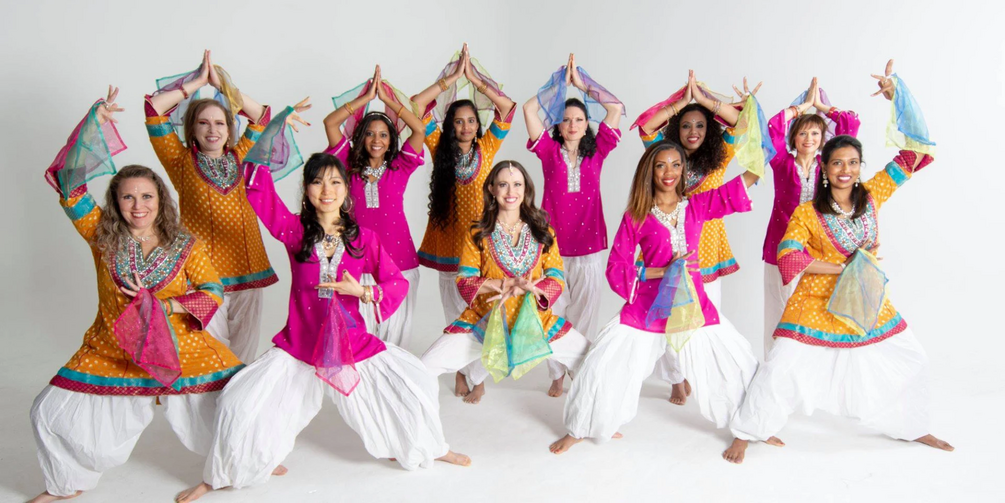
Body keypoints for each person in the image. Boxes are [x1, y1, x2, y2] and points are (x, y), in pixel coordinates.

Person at [175, 110, 469, 501]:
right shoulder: (295, 231)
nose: (326, 189)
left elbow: (395, 283)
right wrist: (275, 127)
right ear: (307, 190)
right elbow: (256, 182)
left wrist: (363, 292)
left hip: (351, 344)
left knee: (414, 383)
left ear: (346, 189)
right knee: (239, 400)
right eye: (317, 181)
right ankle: (224, 473)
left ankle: (433, 448)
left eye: (334, 181)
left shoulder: (362, 238)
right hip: (301, 344)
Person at [724, 61, 953, 463]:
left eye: (852, 163)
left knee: (912, 356)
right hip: (814, 301)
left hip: (864, 298)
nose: (845, 170)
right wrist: (841, 267)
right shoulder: (808, 213)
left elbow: (917, 152)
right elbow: (788, 256)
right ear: (825, 170)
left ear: (860, 167)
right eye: (837, 163)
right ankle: (747, 431)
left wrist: (896, 97)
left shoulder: (873, 193)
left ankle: (914, 426)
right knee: (781, 364)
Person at [31, 87, 243, 503]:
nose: (138, 205)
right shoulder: (101, 236)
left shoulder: (185, 245)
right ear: (115, 202)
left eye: (146, 196)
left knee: (238, 405)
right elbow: (69, 184)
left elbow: (213, 290)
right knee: (48, 410)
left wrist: (168, 305)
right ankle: (67, 484)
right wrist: (92, 128)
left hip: (180, 348)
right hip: (114, 349)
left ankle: (241, 464)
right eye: (127, 196)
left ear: (160, 200)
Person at [550, 139, 761, 455]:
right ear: (650, 171)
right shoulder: (637, 216)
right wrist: (662, 271)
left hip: (692, 307)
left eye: (676, 165)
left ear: (683, 169)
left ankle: (747, 430)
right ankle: (583, 427)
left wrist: (759, 140)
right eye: (661, 165)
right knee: (602, 363)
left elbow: (741, 184)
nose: (669, 172)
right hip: (646, 308)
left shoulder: (697, 205)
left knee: (734, 363)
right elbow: (617, 267)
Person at [420, 161, 590, 404]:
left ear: (526, 188)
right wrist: (502, 284)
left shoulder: (543, 231)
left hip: (536, 323)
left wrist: (530, 289)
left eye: (517, 184)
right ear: (491, 189)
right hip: (483, 323)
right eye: (503, 185)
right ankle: (418, 426)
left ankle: (591, 419)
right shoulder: (477, 233)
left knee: (592, 360)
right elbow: (465, 280)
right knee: (423, 367)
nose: (511, 192)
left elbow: (556, 278)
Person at [145, 50, 277, 362]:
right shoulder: (179, 160)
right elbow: (154, 109)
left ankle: (240, 396)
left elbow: (262, 117)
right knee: (212, 354)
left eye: (220, 123)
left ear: (230, 130)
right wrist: (196, 84)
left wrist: (223, 87)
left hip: (249, 268)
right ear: (192, 129)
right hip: (202, 274)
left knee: (243, 356)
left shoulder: (243, 154)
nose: (212, 130)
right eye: (203, 123)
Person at [522, 54, 624, 393]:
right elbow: (528, 110)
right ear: (558, 123)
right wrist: (558, 87)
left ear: (586, 123)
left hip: (590, 246)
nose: (572, 124)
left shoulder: (598, 151)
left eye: (579, 119)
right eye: (565, 119)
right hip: (552, 248)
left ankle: (580, 371)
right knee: (553, 310)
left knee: (585, 313)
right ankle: (556, 372)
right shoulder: (548, 151)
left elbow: (615, 108)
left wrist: (583, 85)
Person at [411, 44, 516, 328]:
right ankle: (459, 358)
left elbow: (506, 108)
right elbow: (417, 104)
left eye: (471, 121)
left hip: (482, 245)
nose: (466, 127)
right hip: (450, 245)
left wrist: (475, 79)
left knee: (486, 316)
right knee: (456, 317)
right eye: (459, 122)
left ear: (477, 125)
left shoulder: (487, 146)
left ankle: (480, 360)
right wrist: (453, 78)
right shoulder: (438, 147)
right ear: (450, 126)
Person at [323, 65, 426, 348]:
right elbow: (330, 124)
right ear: (360, 138)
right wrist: (366, 99)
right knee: (359, 335)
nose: (377, 140)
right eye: (370, 134)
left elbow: (419, 128)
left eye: (383, 135)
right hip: (355, 259)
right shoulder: (346, 165)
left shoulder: (401, 165)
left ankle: (393, 375)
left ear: (391, 140)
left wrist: (388, 101)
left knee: (397, 335)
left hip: (400, 261)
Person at [762, 77, 860, 356]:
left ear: (822, 139)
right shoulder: (780, 162)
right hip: (780, 247)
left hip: (818, 249)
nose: (809, 139)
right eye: (803, 133)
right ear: (794, 137)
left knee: (814, 310)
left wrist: (822, 107)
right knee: (779, 310)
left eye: (815, 133)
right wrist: (802, 107)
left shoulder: (827, 167)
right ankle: (774, 365)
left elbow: (850, 126)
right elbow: (772, 126)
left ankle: (810, 365)